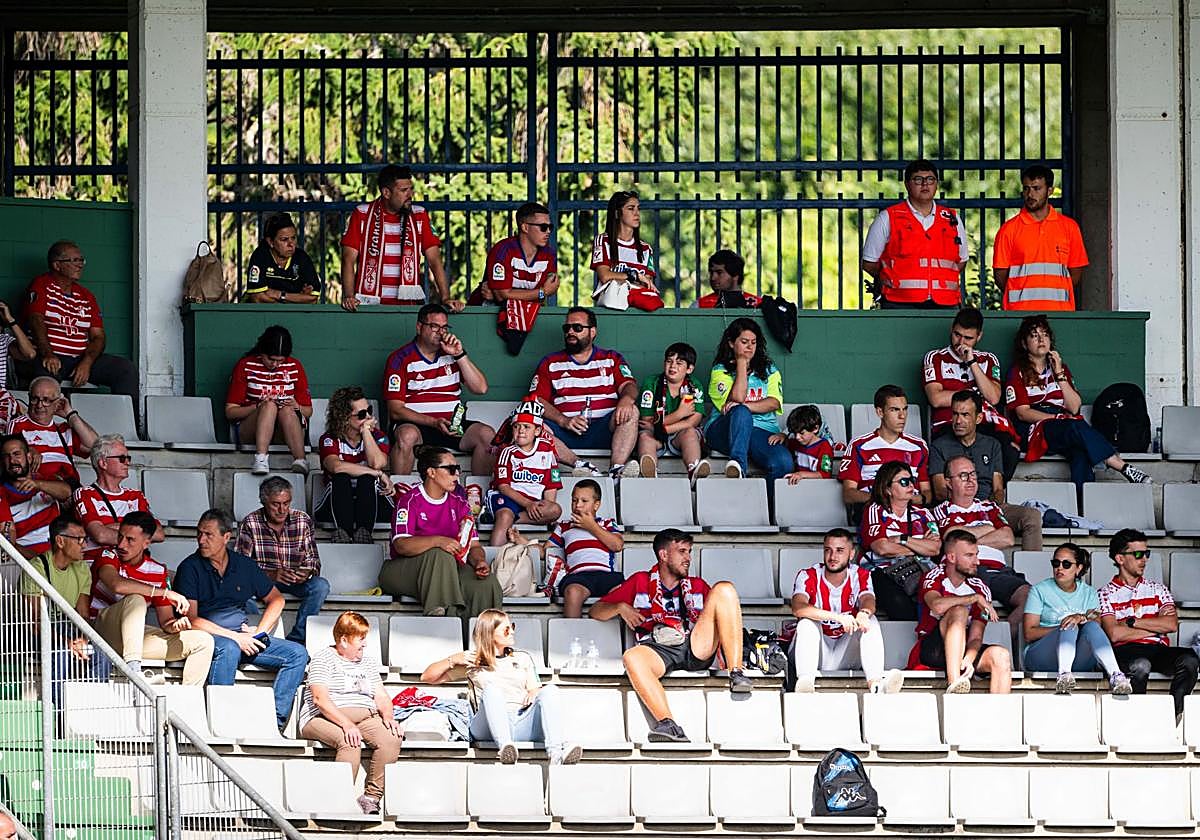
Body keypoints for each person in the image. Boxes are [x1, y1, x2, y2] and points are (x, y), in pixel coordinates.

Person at [591, 528, 751, 743]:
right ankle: (667, 725)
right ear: (663, 555)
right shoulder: (639, 581)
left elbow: (722, 612)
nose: (688, 558)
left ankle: (736, 672)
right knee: (632, 657)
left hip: (694, 643)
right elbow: (596, 610)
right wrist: (620, 607)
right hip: (658, 647)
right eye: (682, 552)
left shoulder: (697, 585)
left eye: (689, 552)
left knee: (725, 588)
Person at [173, 509, 309, 731]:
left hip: (242, 636)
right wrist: (236, 638)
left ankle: (273, 723)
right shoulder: (189, 567)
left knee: (297, 654)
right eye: (199, 533)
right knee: (229, 648)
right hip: (208, 637)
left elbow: (277, 600)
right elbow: (192, 620)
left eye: (208, 535)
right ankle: (221, 723)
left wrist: (259, 632)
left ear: (226, 537)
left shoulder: (243, 565)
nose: (201, 540)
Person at [1005, 314, 1149, 488]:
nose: (1041, 339)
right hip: (1034, 427)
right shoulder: (1017, 371)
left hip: (1064, 426)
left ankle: (1083, 501)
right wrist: (1056, 418)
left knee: (1081, 451)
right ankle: (1121, 466)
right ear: (1024, 343)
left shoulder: (1061, 369)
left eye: (1045, 334)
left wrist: (1059, 374)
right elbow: (1023, 413)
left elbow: (1074, 408)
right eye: (1034, 335)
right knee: (1074, 426)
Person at [422, 609, 581, 765]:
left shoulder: (522, 658)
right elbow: (428, 677)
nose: (512, 632)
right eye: (506, 629)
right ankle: (505, 747)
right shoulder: (472, 661)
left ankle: (556, 754)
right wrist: (452, 660)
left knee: (551, 689)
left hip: (520, 719)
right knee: (492, 690)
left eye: (512, 626)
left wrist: (534, 692)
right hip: (487, 726)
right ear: (490, 633)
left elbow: (535, 689)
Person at [89, 511, 213, 686]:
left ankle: (186, 700)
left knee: (203, 641)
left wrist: (175, 625)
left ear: (146, 543)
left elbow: (166, 621)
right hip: (100, 632)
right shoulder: (108, 555)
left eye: (130, 540)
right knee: (136, 600)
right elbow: (116, 584)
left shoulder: (157, 570)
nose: (122, 544)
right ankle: (134, 672)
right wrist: (165, 593)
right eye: (120, 536)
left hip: (132, 641)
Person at [299, 611, 403, 815]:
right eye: (360, 639)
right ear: (344, 641)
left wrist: (388, 717)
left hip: (366, 716)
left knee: (392, 737)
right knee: (350, 740)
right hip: (322, 717)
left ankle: (371, 797)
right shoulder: (323, 658)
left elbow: (381, 696)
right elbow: (320, 699)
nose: (365, 644)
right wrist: (347, 724)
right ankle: (338, 799)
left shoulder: (368, 663)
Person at [381, 447, 501, 617]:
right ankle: (440, 620)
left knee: (485, 583)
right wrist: (438, 541)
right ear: (431, 472)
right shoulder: (409, 500)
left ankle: (481, 630)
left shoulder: (460, 503)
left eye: (457, 469)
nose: (457, 475)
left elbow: (473, 546)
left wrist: (479, 561)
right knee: (439, 554)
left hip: (448, 568)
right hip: (401, 570)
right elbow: (401, 545)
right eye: (451, 469)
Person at [383, 303, 494, 477]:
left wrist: (459, 354)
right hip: (417, 426)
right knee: (406, 435)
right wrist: (433, 422)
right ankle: (400, 491)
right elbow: (395, 410)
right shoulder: (400, 358)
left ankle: (476, 492)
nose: (440, 332)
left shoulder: (452, 354)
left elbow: (481, 388)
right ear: (419, 327)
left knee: (486, 435)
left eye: (444, 327)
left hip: (451, 426)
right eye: (434, 326)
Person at [790, 528, 905, 694]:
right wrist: (838, 618)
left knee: (870, 621)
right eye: (828, 550)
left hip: (843, 653)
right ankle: (805, 684)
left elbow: (868, 600)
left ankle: (877, 685)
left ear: (851, 554)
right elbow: (798, 607)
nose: (832, 556)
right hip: (815, 652)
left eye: (839, 550)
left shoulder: (860, 575)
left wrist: (863, 613)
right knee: (806, 623)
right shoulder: (808, 575)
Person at [1098, 528, 1199, 716]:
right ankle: (1139, 718)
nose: (1144, 559)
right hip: (1125, 650)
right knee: (1141, 665)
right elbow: (1114, 634)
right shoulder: (1105, 593)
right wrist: (1156, 627)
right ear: (1120, 559)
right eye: (1138, 554)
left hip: (1157, 649)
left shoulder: (1158, 589)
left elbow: (1171, 625)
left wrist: (1131, 622)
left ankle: (1173, 715)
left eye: (1147, 553)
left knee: (1189, 659)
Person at [529, 307, 639, 479]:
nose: (570, 332)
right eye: (567, 328)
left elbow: (629, 385)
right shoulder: (550, 362)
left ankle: (616, 469)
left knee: (631, 411)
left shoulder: (611, 358)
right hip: (565, 433)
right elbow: (536, 400)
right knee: (530, 423)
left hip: (605, 430)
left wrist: (627, 399)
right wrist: (563, 420)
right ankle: (581, 465)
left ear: (592, 332)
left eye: (577, 328)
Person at [23, 240, 139, 402]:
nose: (80, 265)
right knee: (44, 380)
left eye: (81, 260)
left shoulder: (86, 296)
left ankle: (129, 418)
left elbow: (98, 336)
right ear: (57, 265)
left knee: (125, 369)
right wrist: (48, 354)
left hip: (80, 359)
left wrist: (87, 362)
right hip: (51, 357)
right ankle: (50, 419)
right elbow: (36, 320)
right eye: (74, 260)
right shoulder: (41, 285)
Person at [930, 390, 1043, 551]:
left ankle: (1033, 567)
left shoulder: (992, 444)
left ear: (978, 418)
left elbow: (998, 489)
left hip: (989, 506)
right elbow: (941, 491)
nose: (958, 421)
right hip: (956, 507)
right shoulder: (939, 445)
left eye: (965, 415)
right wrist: (971, 508)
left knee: (1031, 516)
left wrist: (986, 509)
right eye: (955, 414)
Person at [339, 164, 461, 311]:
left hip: (407, 307)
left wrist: (445, 297)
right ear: (386, 193)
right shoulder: (362, 214)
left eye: (411, 189)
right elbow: (348, 259)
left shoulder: (419, 215)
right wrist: (349, 296)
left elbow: (434, 260)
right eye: (404, 190)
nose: (410, 194)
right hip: (368, 306)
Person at [932, 455, 1028, 640]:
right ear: (948, 482)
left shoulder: (990, 507)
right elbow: (951, 537)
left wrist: (966, 540)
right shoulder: (940, 511)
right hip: (965, 572)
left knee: (1030, 598)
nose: (970, 480)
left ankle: (1000, 641)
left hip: (998, 571)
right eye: (963, 475)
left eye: (973, 474)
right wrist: (988, 529)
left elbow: (1007, 538)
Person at [909, 529, 1012, 694]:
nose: (977, 561)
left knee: (1001, 656)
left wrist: (969, 658)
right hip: (933, 649)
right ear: (951, 557)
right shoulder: (934, 576)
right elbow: (937, 605)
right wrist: (973, 599)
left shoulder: (980, 588)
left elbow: (976, 637)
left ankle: (999, 711)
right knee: (959, 611)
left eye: (976, 555)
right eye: (969, 556)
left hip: (964, 648)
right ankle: (955, 685)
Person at [1022, 542, 1132, 695]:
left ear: (1078, 568)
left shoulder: (1089, 592)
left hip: (1078, 658)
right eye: (1056, 563)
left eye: (1066, 564)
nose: (1059, 568)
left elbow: (1096, 617)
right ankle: (1064, 675)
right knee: (1070, 625)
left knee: (1090, 626)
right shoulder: (1039, 590)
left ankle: (1116, 675)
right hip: (1041, 656)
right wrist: (1063, 627)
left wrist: (1080, 618)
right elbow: (1029, 633)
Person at [21, 517, 109, 702]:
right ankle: (58, 710)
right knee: (61, 652)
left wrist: (83, 639)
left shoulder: (81, 568)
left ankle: (95, 706)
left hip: (67, 629)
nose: (84, 545)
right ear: (60, 541)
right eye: (79, 539)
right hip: (33, 634)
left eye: (85, 539)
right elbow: (35, 623)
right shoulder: (37, 568)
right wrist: (67, 642)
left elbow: (83, 615)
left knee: (102, 652)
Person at [921, 307, 1019, 473]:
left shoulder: (989, 359)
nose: (961, 342)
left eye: (968, 338)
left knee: (1010, 450)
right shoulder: (935, 358)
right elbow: (936, 399)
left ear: (979, 336)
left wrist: (972, 362)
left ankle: (992, 489)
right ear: (951, 329)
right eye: (957, 335)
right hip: (950, 424)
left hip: (984, 424)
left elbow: (993, 398)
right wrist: (976, 395)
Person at [861, 160, 969, 309]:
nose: (925, 184)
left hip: (946, 303)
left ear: (936, 184)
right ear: (907, 184)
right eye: (918, 179)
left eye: (930, 179)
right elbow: (869, 263)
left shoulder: (952, 219)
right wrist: (893, 278)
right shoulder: (888, 218)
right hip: (898, 304)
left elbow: (961, 261)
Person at [234, 476, 329, 644]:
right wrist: (270, 574)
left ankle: (297, 638)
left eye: (286, 503)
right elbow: (240, 567)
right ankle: (257, 635)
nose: (282, 509)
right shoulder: (251, 523)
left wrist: (306, 573)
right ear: (264, 502)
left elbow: (314, 561)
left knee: (320, 586)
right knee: (240, 590)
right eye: (275, 504)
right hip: (261, 582)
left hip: (294, 580)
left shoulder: (303, 520)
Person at [703, 317, 792, 482]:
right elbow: (738, 397)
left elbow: (773, 402)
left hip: (761, 430)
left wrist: (746, 406)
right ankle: (738, 467)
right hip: (725, 430)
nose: (750, 347)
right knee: (741, 413)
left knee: (783, 463)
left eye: (753, 342)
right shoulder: (720, 371)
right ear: (731, 343)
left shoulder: (770, 370)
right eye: (744, 342)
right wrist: (742, 363)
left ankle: (766, 498)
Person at [993, 164, 1088, 311]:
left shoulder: (1069, 227)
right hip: (1019, 313)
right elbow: (1000, 276)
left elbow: (1076, 272)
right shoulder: (1008, 230)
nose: (1030, 194)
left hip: (1060, 313)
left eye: (1036, 188)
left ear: (1050, 191)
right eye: (1026, 188)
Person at [224, 325, 314, 476]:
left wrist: (296, 406)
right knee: (269, 406)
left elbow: (308, 411)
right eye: (271, 359)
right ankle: (261, 459)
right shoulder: (246, 366)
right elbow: (230, 412)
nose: (275, 365)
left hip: (285, 430)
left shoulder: (295, 366)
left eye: (280, 361)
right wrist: (259, 406)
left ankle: (300, 460)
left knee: (286, 409)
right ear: (262, 352)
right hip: (251, 430)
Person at [859, 461, 942, 621]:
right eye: (904, 482)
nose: (911, 485)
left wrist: (902, 539)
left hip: (919, 569)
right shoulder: (875, 510)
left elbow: (935, 549)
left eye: (912, 480)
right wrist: (920, 546)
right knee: (900, 604)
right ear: (888, 489)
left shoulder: (924, 513)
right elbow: (882, 548)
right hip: (882, 571)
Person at [315, 386, 395, 544]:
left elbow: (377, 463)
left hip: (371, 501)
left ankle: (364, 533)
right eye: (362, 414)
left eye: (369, 411)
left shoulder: (378, 437)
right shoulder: (329, 438)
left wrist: (366, 432)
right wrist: (378, 474)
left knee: (366, 480)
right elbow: (336, 467)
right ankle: (344, 533)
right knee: (341, 478)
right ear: (344, 418)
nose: (369, 417)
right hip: (337, 501)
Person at [540, 478, 624, 617]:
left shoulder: (607, 523)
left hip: (606, 575)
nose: (578, 505)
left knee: (623, 592)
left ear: (596, 505)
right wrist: (524, 542)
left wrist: (591, 526)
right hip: (578, 577)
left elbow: (617, 545)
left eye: (584, 501)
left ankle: (615, 630)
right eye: (574, 500)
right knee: (572, 592)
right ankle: (574, 631)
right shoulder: (564, 526)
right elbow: (546, 550)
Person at [74, 434, 163, 564]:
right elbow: (100, 535)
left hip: (131, 566)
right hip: (96, 565)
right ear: (103, 463)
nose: (127, 462)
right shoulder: (85, 493)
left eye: (128, 458)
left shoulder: (136, 496)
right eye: (122, 458)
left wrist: (111, 527)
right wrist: (137, 534)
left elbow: (159, 534)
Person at [485, 202, 559, 356]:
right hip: (485, 315)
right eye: (543, 227)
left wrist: (512, 294)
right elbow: (501, 296)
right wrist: (541, 292)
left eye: (550, 227)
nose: (548, 232)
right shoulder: (502, 250)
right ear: (525, 227)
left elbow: (544, 296)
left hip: (528, 317)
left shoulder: (549, 254)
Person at [840, 385, 931, 510]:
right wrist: (884, 499)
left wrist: (905, 500)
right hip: (874, 510)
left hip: (911, 512)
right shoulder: (859, 445)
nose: (902, 416)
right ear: (880, 412)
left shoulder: (919, 447)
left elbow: (927, 493)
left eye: (905, 409)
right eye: (894, 410)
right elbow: (848, 494)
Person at [487, 399, 561, 546]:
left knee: (555, 510)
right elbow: (503, 487)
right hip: (508, 498)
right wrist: (527, 504)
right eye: (516, 426)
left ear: (537, 431)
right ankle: (494, 557)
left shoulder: (547, 451)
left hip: (533, 502)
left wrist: (545, 507)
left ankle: (512, 518)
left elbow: (551, 485)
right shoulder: (507, 452)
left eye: (526, 427)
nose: (521, 430)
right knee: (505, 515)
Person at [634, 342, 709, 482]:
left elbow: (694, 421)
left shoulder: (694, 385)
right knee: (645, 437)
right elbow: (646, 420)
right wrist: (680, 413)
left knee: (690, 433)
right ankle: (650, 474)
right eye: (669, 361)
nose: (673, 366)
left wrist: (663, 428)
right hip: (654, 436)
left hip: (680, 435)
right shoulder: (652, 382)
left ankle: (694, 471)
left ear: (689, 369)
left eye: (679, 363)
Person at [11, 376, 98, 487]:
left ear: (58, 403)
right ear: (29, 397)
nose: (39, 405)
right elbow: (10, 455)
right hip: (38, 489)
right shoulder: (18, 425)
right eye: (34, 399)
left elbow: (95, 446)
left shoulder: (64, 430)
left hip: (70, 487)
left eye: (46, 400)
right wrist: (28, 450)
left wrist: (70, 414)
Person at [590, 191, 661, 311]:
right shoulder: (603, 241)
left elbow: (647, 284)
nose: (637, 213)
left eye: (638, 208)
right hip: (611, 310)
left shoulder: (646, 249)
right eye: (630, 208)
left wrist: (621, 277)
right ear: (617, 213)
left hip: (638, 311)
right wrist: (636, 276)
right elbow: (605, 276)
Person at [0, 434, 63, 559]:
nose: (12, 461)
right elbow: (8, 537)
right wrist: (42, 561)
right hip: (30, 561)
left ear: (29, 457)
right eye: (7, 456)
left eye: (17, 454)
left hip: (61, 554)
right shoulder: (2, 492)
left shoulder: (45, 479)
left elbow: (67, 493)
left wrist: (38, 484)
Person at [242, 212, 323, 304]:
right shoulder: (260, 256)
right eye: (284, 239)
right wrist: (297, 298)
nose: (291, 244)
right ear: (270, 242)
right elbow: (257, 298)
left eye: (293, 238)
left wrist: (279, 294)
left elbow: (312, 298)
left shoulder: (302, 258)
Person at [771, 404, 835, 483]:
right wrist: (782, 436)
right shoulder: (794, 443)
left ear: (815, 429)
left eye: (802, 433)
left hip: (817, 486)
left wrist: (801, 474)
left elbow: (825, 475)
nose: (797, 437)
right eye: (795, 433)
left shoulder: (824, 447)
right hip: (797, 485)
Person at [694, 250, 761, 309]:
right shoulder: (699, 305)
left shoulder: (758, 305)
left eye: (719, 272)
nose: (713, 278)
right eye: (711, 272)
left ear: (735, 274)